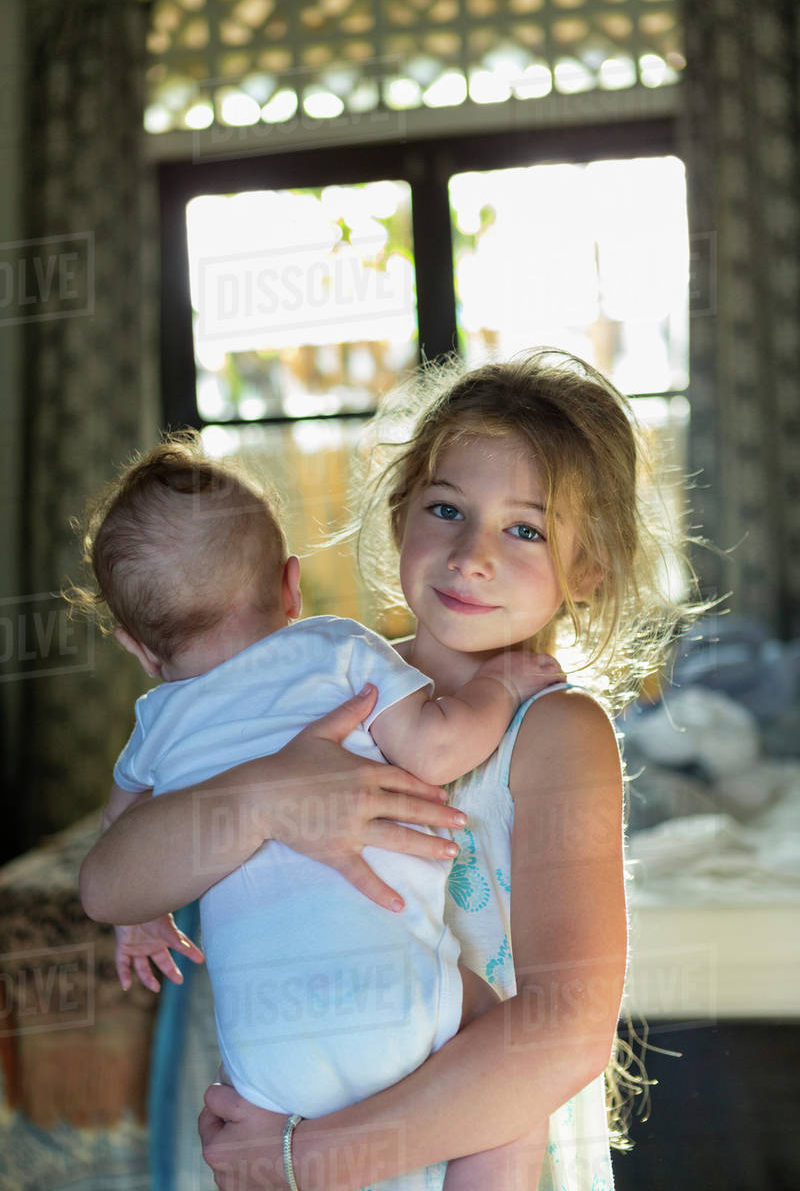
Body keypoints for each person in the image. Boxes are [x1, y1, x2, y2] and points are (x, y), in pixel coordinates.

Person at [80, 349, 694, 1190]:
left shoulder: (555, 730)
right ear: (403, 513)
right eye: (447, 508)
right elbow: (112, 882)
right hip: (292, 1113)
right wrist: (264, 795)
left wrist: (305, 1161)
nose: (471, 554)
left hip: (452, 1143)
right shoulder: (306, 687)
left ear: (586, 569)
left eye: (526, 528)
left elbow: (564, 1031)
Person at [73, 433, 564, 1185]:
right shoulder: (335, 648)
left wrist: (141, 915)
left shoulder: (156, 726)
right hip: (402, 1006)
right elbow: (437, 752)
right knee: (509, 1061)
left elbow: (121, 845)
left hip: (268, 1064)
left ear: (138, 648)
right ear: (291, 587)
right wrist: (501, 685)